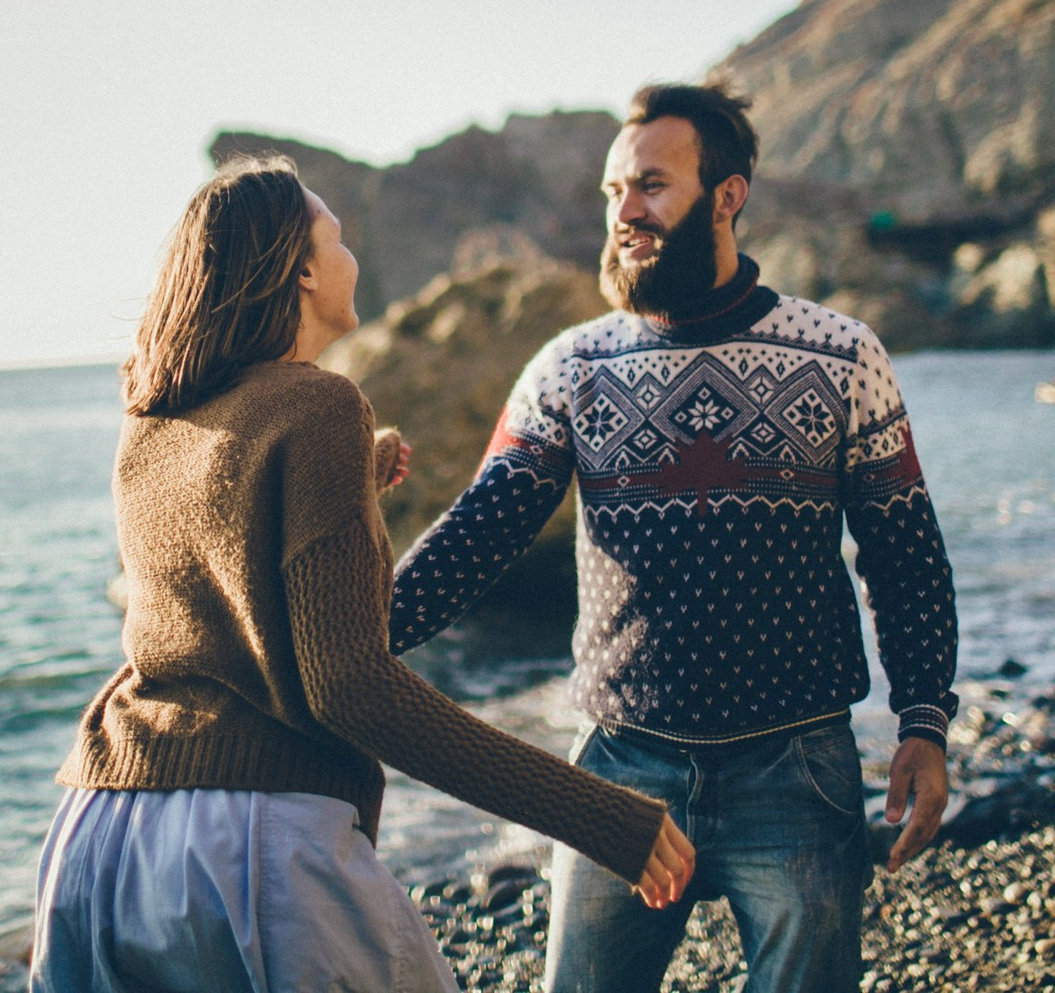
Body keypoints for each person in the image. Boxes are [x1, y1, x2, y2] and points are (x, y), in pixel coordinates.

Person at [29, 154, 695, 993]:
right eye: (336, 239)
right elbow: (348, 686)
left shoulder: (154, 423)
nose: (352, 259)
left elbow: (219, 552)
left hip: (101, 834)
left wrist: (354, 479)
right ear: (303, 270)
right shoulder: (320, 406)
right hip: (248, 846)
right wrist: (597, 817)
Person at [388, 85, 960, 993]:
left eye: (651, 185)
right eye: (615, 191)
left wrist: (924, 718)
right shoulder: (570, 368)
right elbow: (477, 536)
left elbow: (903, 550)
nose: (625, 212)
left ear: (727, 195)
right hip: (620, 771)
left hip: (797, 770)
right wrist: (343, 639)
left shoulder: (842, 354)